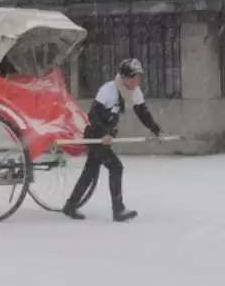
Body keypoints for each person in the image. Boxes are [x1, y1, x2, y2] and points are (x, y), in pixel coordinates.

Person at [63, 58, 162, 222]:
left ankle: (70, 205)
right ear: (124, 77)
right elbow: (92, 116)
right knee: (116, 167)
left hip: (106, 135)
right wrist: (103, 134)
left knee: (90, 172)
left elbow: (143, 113)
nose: (138, 81)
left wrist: (157, 131)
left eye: (139, 77)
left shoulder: (134, 91)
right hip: (95, 134)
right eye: (135, 77)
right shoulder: (108, 90)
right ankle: (118, 209)